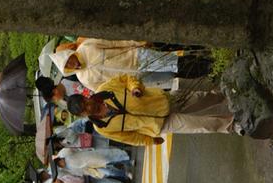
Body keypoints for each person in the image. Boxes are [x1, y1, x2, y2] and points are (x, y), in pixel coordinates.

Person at [65, 75, 238, 146]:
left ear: (85, 97)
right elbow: (129, 137)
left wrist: (134, 88)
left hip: (162, 101)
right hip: (158, 125)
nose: (89, 107)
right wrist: (149, 141)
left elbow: (128, 79)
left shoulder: (106, 89)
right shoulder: (101, 127)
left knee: (201, 99)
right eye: (84, 110)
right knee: (201, 126)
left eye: (85, 103)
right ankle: (231, 125)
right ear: (83, 115)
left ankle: (223, 96)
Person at [50, 38, 210, 92]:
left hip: (138, 56)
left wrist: (137, 43)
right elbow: (106, 89)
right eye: (67, 65)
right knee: (172, 75)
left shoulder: (87, 46)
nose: (71, 62)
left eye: (68, 59)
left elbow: (114, 43)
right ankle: (207, 71)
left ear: (69, 54)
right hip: (138, 79)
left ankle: (209, 65)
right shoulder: (84, 79)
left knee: (174, 63)